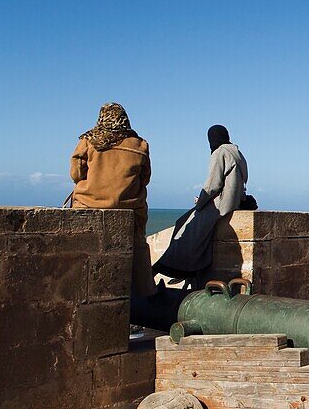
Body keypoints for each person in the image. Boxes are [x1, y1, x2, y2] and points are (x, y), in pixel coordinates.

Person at [70, 102, 154, 296]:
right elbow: (145, 179)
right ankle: (146, 291)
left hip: (89, 203)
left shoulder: (88, 141)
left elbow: (76, 174)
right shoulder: (140, 144)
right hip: (130, 206)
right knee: (139, 245)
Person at [154, 125, 250, 285]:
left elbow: (213, 184)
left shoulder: (220, 152)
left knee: (185, 229)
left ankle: (171, 267)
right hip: (234, 202)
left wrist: (200, 203)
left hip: (220, 206)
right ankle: (187, 271)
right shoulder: (238, 154)